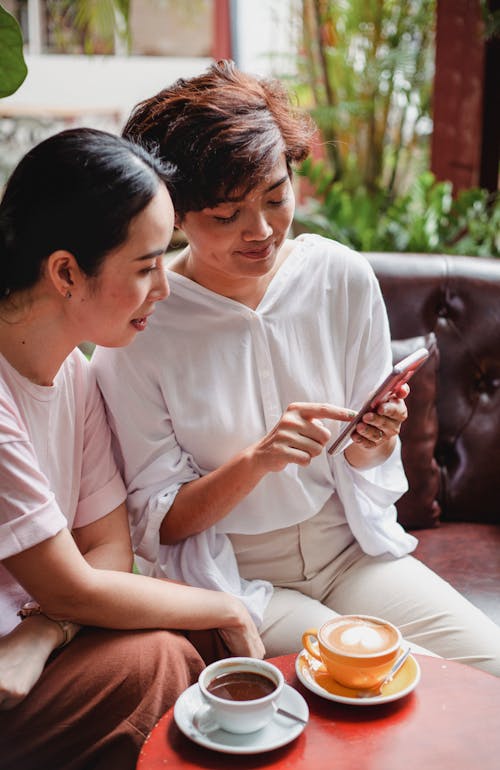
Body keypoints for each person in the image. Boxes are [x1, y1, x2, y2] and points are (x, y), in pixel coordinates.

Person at [93, 60, 500, 676]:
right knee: (402, 680)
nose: (260, 232)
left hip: (350, 551)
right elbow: (162, 525)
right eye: (226, 217)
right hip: (235, 574)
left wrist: (374, 439)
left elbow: (364, 466)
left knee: (488, 667)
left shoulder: (341, 277)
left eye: (276, 199)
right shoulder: (142, 326)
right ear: (174, 214)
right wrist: (256, 461)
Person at [0, 127, 264, 770]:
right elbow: (72, 583)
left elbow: (109, 552)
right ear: (66, 272)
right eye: (146, 267)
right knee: (168, 654)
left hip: (32, 649)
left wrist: (46, 626)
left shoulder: (74, 374)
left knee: (191, 637)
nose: (164, 288)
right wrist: (225, 604)